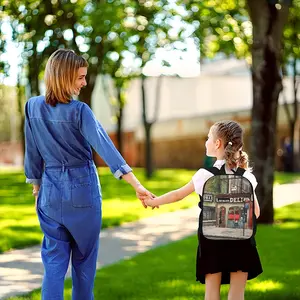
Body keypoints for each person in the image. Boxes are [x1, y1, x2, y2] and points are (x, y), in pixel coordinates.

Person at [24, 49, 154, 300]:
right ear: (64, 77)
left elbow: (32, 153)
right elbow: (106, 148)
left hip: (49, 193)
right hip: (82, 191)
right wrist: (136, 184)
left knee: (53, 264)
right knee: (84, 264)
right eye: (80, 77)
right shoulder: (79, 111)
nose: (84, 83)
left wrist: (37, 189)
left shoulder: (32, 107)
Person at [145, 120, 262, 300]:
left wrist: (154, 202)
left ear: (217, 144)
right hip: (241, 242)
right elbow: (256, 213)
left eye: (208, 138)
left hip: (212, 242)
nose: (206, 142)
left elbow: (178, 195)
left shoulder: (205, 175)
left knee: (211, 294)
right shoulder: (247, 176)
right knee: (237, 294)